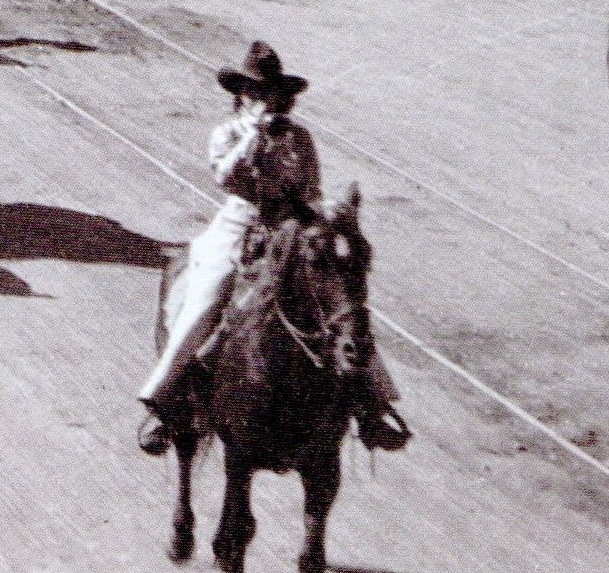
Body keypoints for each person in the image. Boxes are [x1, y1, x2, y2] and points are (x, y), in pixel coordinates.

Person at [136, 42, 408, 455]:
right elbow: (225, 179)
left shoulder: (299, 137)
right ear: (242, 94)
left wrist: (317, 212)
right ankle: (164, 398)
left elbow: (311, 186)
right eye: (258, 92)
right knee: (207, 294)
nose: (267, 100)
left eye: (273, 93)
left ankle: (373, 404)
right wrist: (252, 140)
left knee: (339, 298)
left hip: (289, 225)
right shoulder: (227, 132)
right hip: (238, 226)